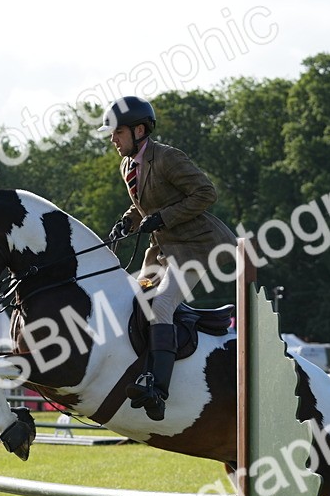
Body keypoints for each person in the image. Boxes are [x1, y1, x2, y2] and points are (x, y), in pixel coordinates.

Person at [99, 95, 236, 421]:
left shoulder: (168, 157)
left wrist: (163, 218)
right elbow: (143, 203)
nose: (113, 139)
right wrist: (129, 220)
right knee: (135, 296)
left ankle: (157, 388)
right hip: (162, 251)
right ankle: (142, 369)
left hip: (195, 247)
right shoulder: (128, 165)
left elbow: (206, 193)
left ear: (140, 130)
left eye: (117, 132)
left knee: (161, 305)